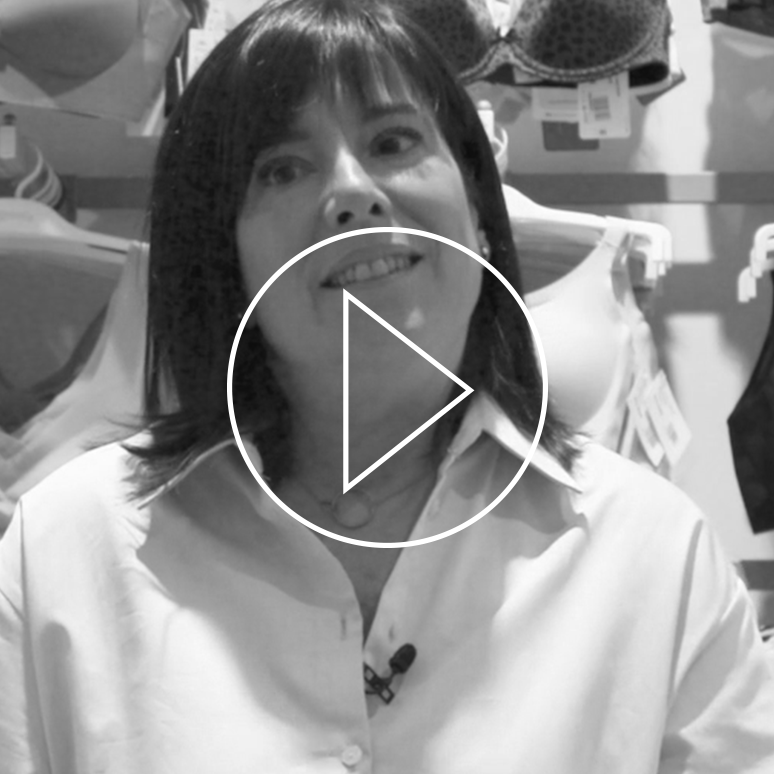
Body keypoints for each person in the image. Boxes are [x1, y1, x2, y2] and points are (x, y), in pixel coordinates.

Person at [1, 1, 773, 772]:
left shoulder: (655, 557)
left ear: (478, 213)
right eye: (282, 168)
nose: (352, 191)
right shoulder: (66, 558)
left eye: (393, 141)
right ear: (222, 252)